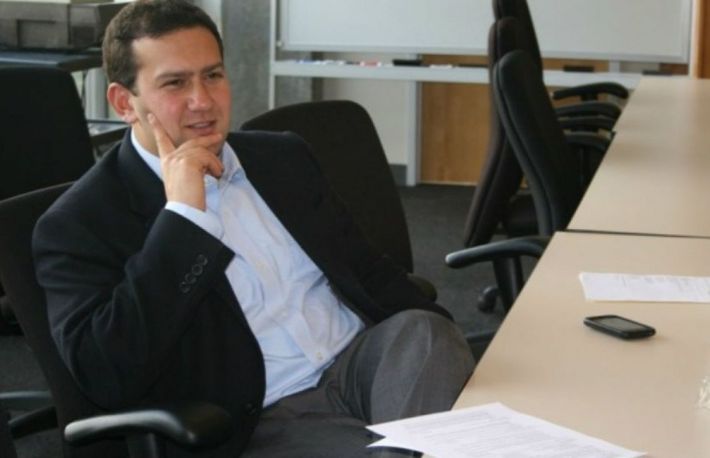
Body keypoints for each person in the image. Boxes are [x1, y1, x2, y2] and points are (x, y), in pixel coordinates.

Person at [32, 1, 474, 457]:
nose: (203, 100)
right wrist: (183, 219)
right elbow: (106, 373)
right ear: (125, 102)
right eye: (175, 83)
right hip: (261, 416)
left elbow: (366, 269)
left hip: (362, 365)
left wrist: (458, 358)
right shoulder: (79, 223)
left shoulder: (280, 157)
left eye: (213, 75)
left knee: (424, 331)